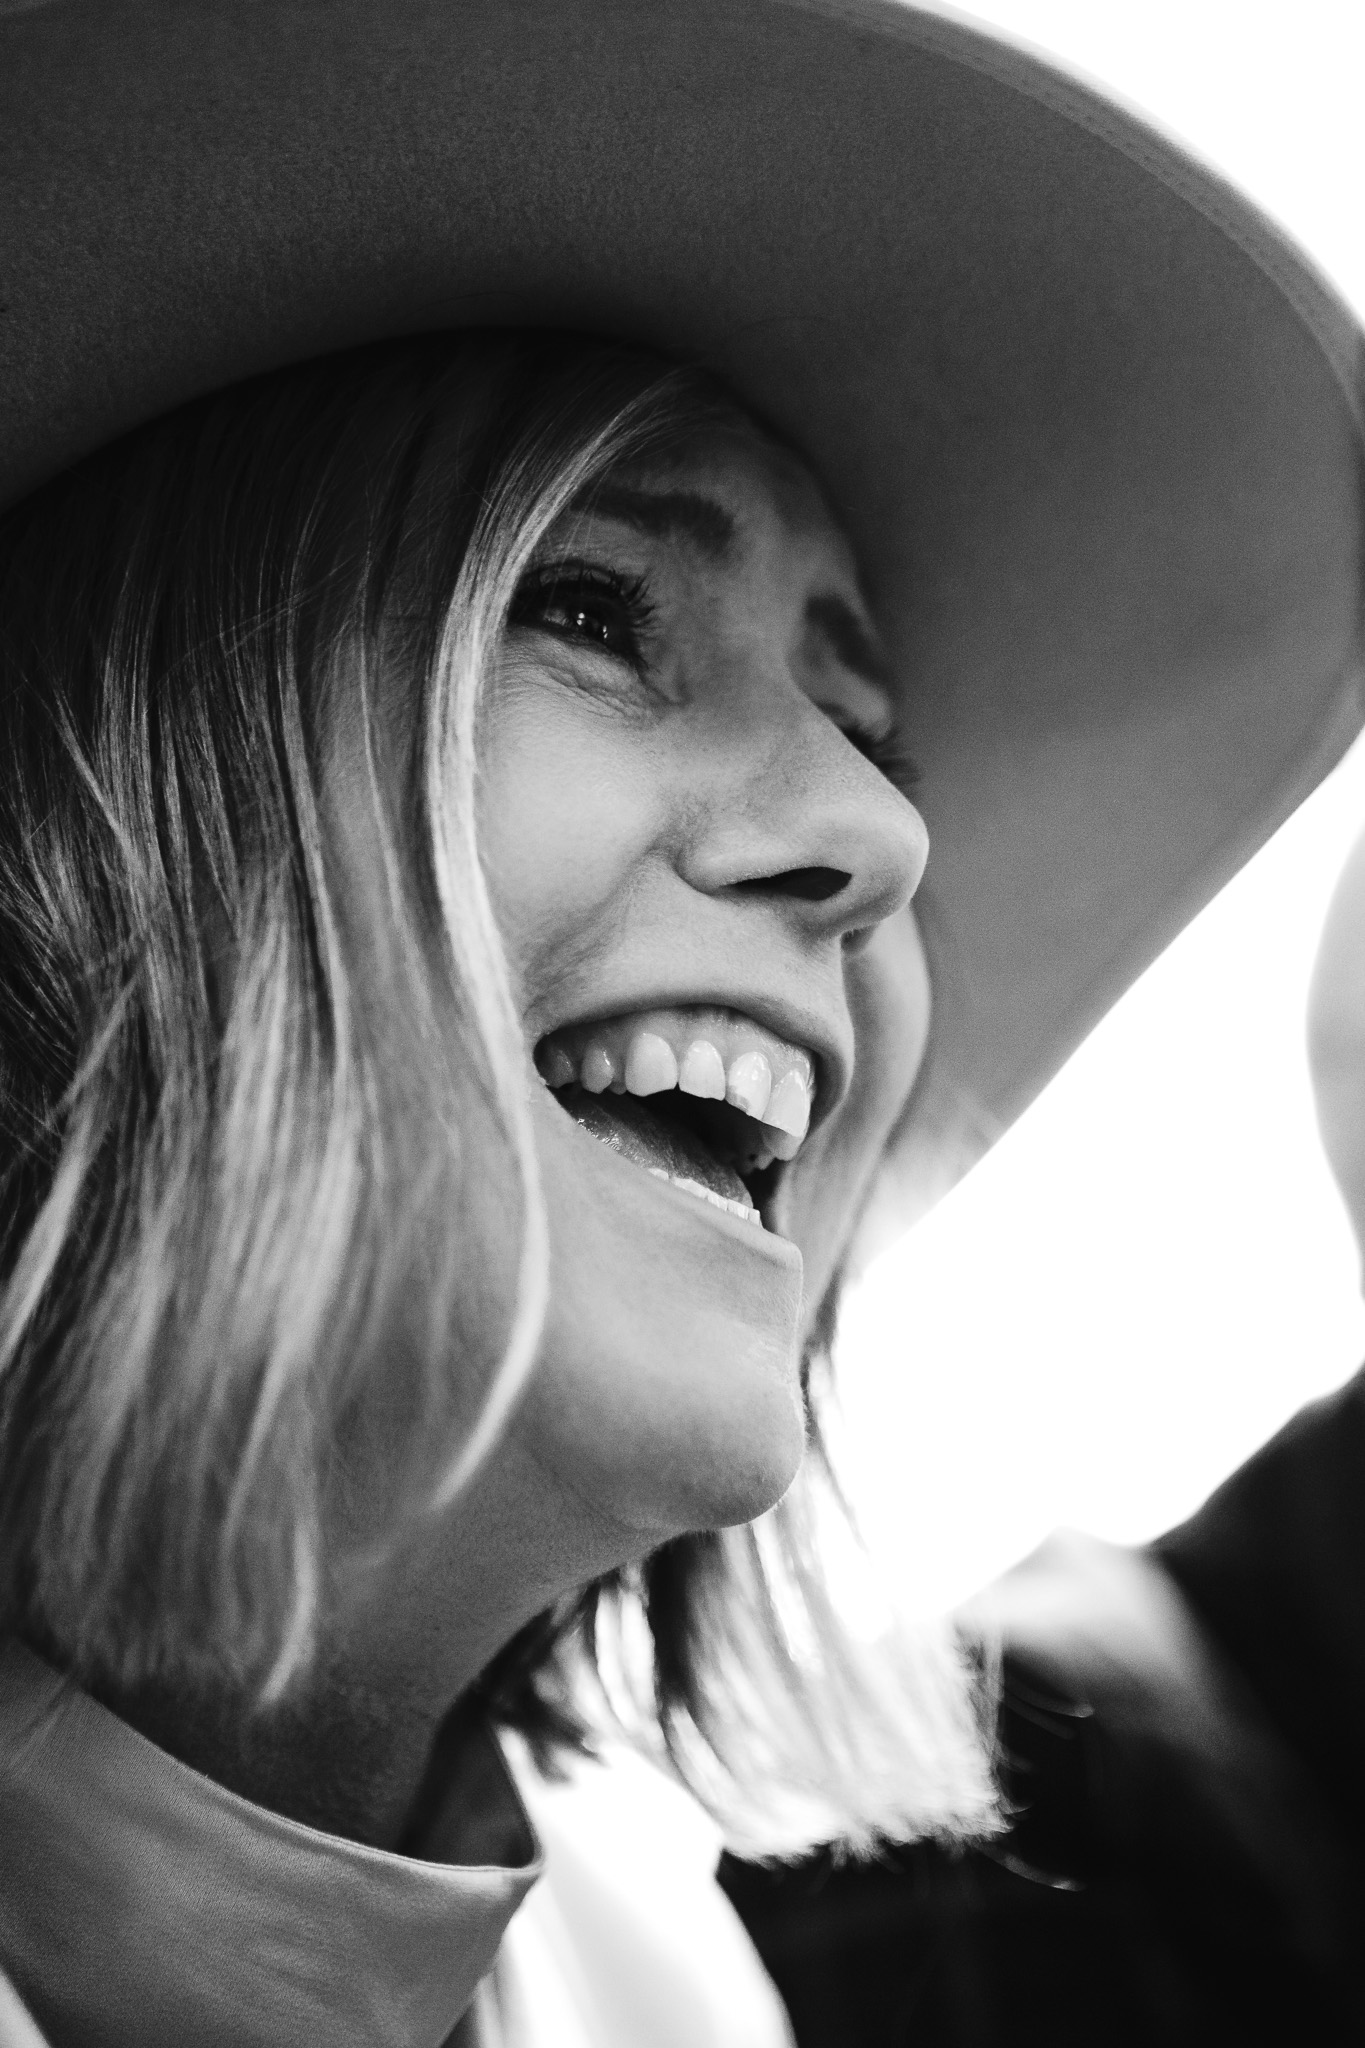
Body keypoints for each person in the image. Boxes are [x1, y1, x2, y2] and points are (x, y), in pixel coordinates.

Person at [0, 4, 1361, 2045]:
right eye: (593, 608)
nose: (881, 832)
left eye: (865, 722)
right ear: (93, 795)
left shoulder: (668, 1992)